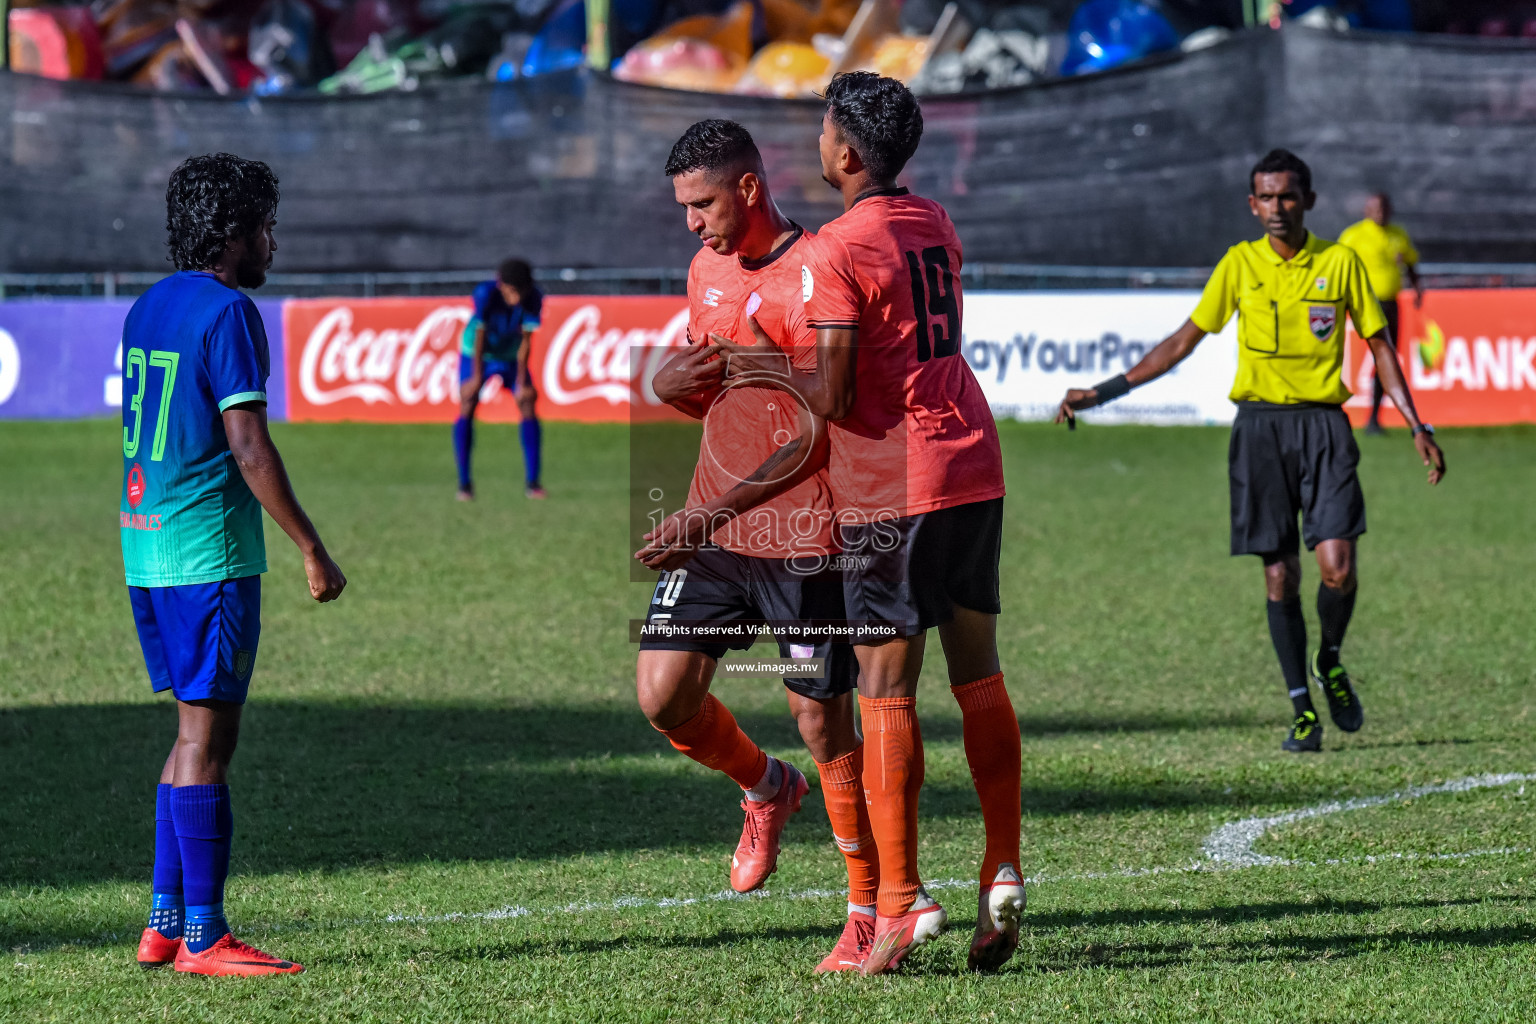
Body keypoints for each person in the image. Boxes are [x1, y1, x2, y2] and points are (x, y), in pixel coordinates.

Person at [709, 73, 1024, 976]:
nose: (815, 143)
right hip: (974, 463)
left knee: (886, 693)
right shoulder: (935, 223)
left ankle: (900, 902)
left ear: (845, 152)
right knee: (980, 678)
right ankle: (1001, 865)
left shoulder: (836, 248)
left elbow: (835, 394)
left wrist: (754, 370)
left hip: (896, 484)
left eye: (820, 130)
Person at [1056, 149, 1445, 754]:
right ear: (1252, 204)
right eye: (1265, 197)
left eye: (1287, 196)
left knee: (1338, 568)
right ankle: (1301, 712)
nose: (1276, 208)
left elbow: (1381, 345)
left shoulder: (1340, 263)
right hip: (1259, 431)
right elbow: (1182, 341)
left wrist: (1416, 422)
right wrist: (1103, 392)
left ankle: (1330, 659)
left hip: (1324, 427)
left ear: (1308, 201)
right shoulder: (1239, 265)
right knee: (1279, 575)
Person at [632, 120, 879, 973]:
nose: (690, 224)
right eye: (682, 209)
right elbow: (711, 389)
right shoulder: (704, 270)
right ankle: (767, 789)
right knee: (663, 697)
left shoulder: (812, 275)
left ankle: (866, 910)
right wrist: (665, 384)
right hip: (715, 525)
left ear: (745, 188)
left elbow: (817, 430)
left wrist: (704, 517)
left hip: (803, 529)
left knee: (820, 718)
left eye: (700, 205)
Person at [126, 153, 347, 976]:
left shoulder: (147, 306)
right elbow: (247, 445)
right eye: (264, 227)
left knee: (190, 733)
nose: (273, 244)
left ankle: (163, 919)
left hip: (146, 548)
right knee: (210, 740)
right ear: (231, 235)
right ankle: (205, 937)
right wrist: (312, 548)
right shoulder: (228, 313)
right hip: (205, 554)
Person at [454, 258, 545, 501]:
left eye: (521, 291)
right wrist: (476, 377)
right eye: (513, 291)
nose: (517, 298)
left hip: (511, 355)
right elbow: (480, 334)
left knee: (527, 401)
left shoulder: (534, 297)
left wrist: (523, 381)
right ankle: (464, 484)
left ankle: (533, 483)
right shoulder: (485, 294)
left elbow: (526, 341)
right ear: (502, 286)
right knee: (468, 400)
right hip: (476, 352)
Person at [1338, 193, 1424, 434]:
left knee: (1386, 359)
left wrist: (1417, 288)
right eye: (1375, 209)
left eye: (1384, 209)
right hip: (1361, 305)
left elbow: (1410, 263)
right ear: (1367, 210)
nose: (1380, 213)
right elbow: (1337, 268)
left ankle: (1374, 419)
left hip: (1389, 304)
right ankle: (1335, 413)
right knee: (1345, 357)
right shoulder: (1354, 235)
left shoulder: (1398, 234)